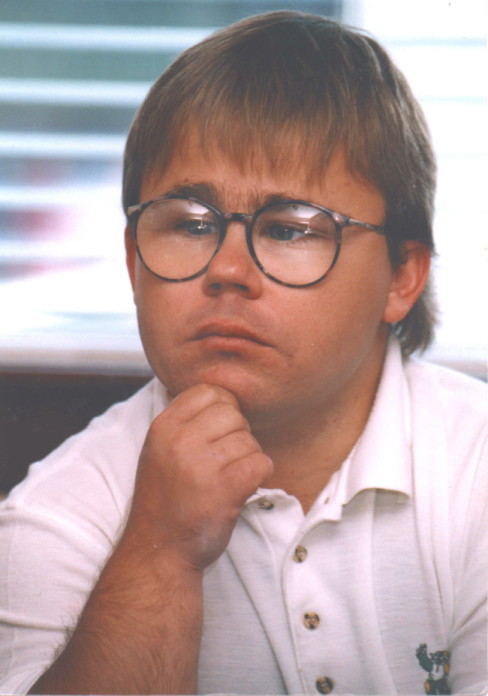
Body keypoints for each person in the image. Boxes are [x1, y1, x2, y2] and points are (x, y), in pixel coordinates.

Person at [0, 10, 486, 695]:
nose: (228, 268)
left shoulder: (477, 470)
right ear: (135, 263)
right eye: (191, 224)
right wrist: (159, 552)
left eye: (290, 229)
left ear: (403, 276)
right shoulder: (54, 513)